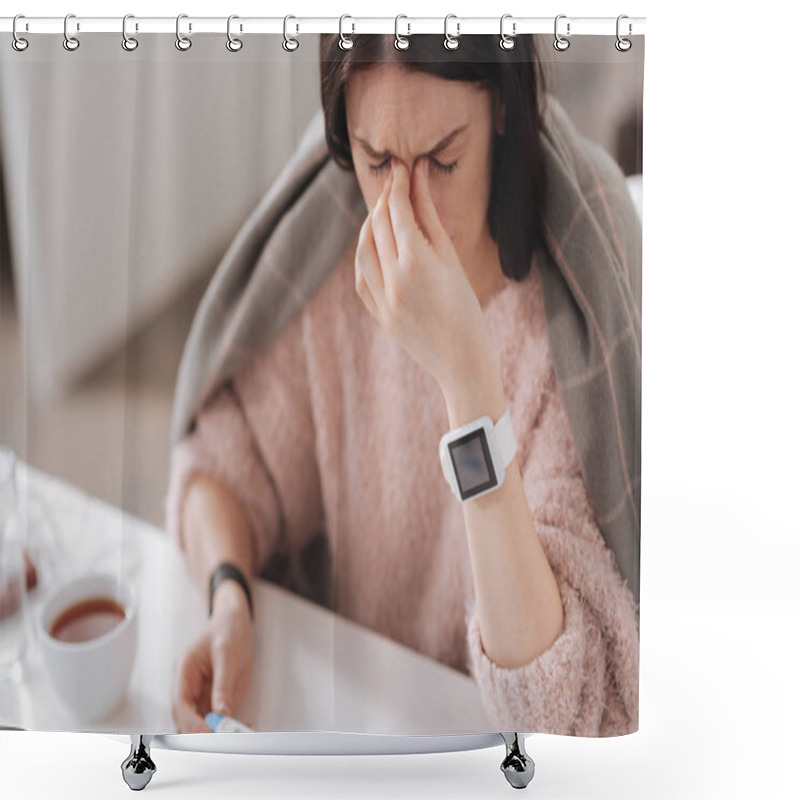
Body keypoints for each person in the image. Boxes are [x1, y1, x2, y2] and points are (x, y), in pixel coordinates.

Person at [166, 34, 640, 737]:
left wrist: (465, 373)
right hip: (362, 720)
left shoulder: (566, 317)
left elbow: (558, 708)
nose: (400, 206)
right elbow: (224, 463)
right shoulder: (331, 258)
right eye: (376, 159)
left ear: (503, 110)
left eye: (442, 159)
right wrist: (229, 594)